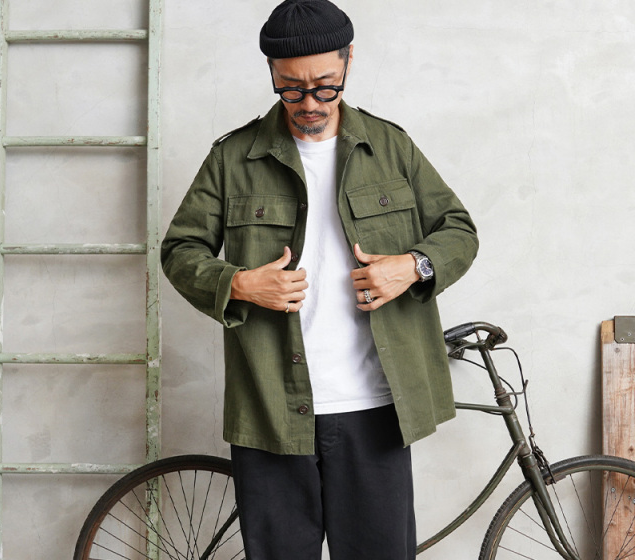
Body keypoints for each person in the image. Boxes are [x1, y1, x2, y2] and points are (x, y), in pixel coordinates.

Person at [161, 0, 478, 558]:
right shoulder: (233, 158)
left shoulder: (391, 147)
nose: (309, 103)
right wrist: (239, 284)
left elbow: (458, 230)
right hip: (270, 408)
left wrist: (412, 266)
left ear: (349, 60)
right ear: (271, 72)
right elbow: (180, 249)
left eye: (325, 86)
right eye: (291, 89)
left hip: (375, 407)